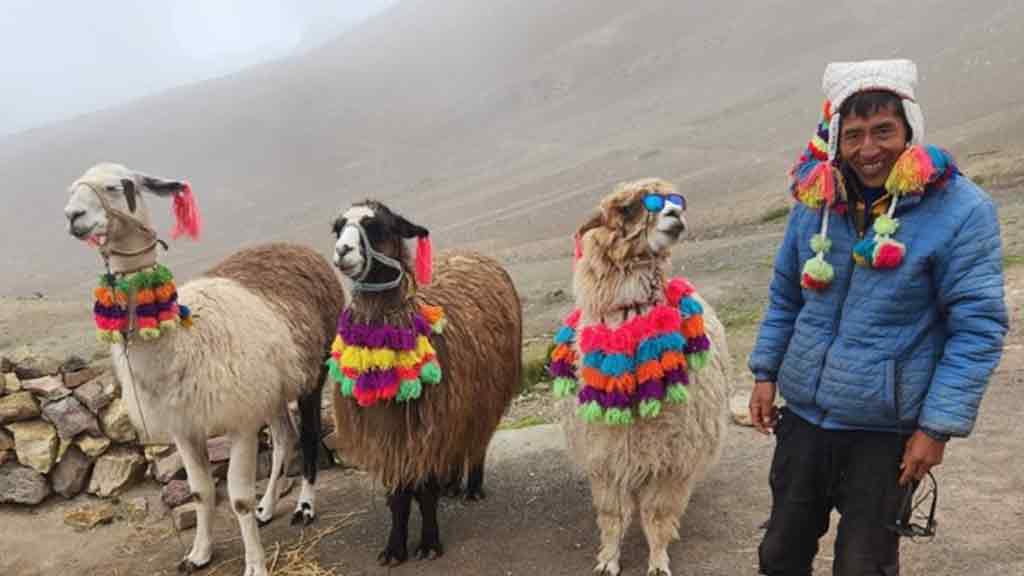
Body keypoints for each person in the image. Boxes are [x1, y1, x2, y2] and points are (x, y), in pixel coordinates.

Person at [747, 58, 1008, 575]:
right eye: (855, 134)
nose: (869, 149)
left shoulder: (961, 210)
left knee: (863, 566)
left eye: (884, 131)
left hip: (885, 429)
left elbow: (977, 328)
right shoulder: (815, 201)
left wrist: (936, 428)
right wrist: (766, 372)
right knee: (780, 553)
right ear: (836, 139)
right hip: (805, 418)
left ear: (911, 129)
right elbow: (785, 295)